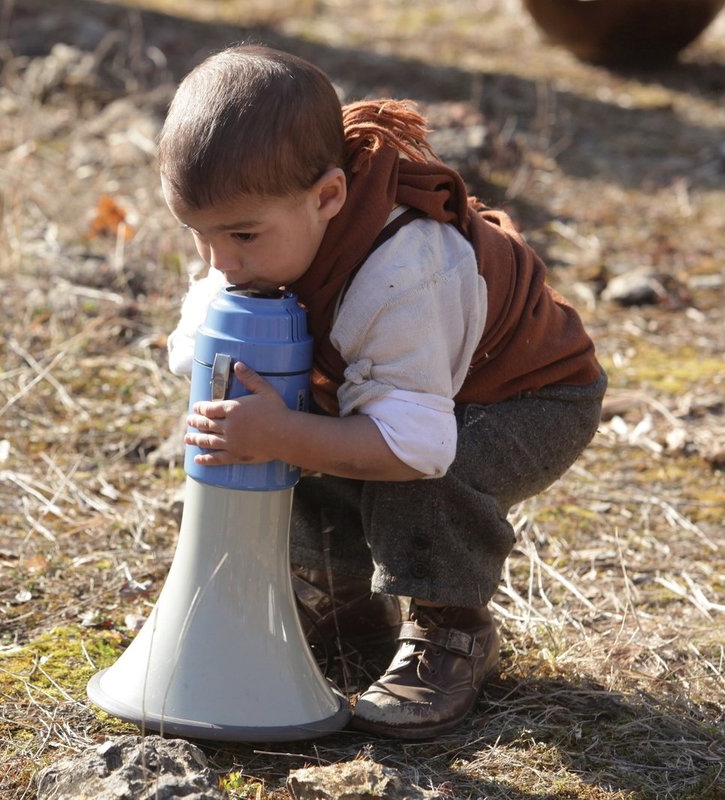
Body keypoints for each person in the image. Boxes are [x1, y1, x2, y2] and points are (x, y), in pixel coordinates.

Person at [161, 44, 606, 739]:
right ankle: (343, 597)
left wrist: (281, 433)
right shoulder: (266, 236)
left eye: (241, 235)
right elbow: (207, 311)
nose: (220, 262)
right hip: (425, 391)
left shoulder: (401, 275)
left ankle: (450, 629)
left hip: (528, 397)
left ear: (329, 196)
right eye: (198, 234)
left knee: (423, 476)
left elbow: (416, 446)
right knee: (297, 417)